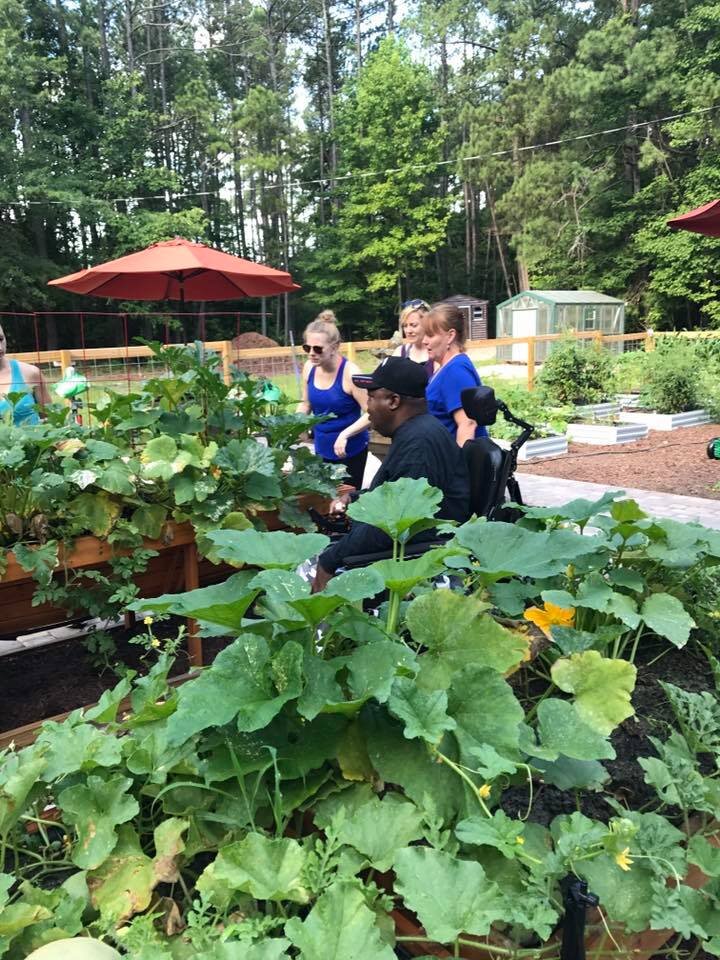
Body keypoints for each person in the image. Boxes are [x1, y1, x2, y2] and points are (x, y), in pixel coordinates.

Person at [313, 357, 471, 591]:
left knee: (319, 560)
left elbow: (392, 526)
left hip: (416, 550)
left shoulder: (418, 447)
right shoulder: (417, 431)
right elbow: (392, 495)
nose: (367, 408)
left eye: (371, 397)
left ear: (393, 401)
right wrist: (354, 498)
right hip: (407, 540)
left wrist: (329, 562)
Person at [297, 311, 370, 489]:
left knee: (344, 500)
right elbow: (305, 403)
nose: (311, 354)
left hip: (349, 451)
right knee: (321, 499)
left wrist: (345, 435)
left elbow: (372, 413)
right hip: (321, 448)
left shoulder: (351, 373)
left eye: (318, 349)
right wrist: (296, 424)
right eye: (307, 348)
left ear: (335, 346)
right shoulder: (309, 367)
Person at [422, 302, 487, 446]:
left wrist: (459, 459)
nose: (424, 341)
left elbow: (467, 423)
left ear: (450, 336)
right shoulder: (445, 368)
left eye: (430, 335)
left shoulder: (456, 371)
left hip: (453, 457)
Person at [0, 325, 50, 425]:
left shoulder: (30, 373)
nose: (0, 347)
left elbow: (51, 419)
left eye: (0, 339)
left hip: (31, 435)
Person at [392, 299, 435, 378]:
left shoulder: (437, 354)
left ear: (427, 324)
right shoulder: (399, 353)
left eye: (414, 325)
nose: (408, 331)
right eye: (405, 326)